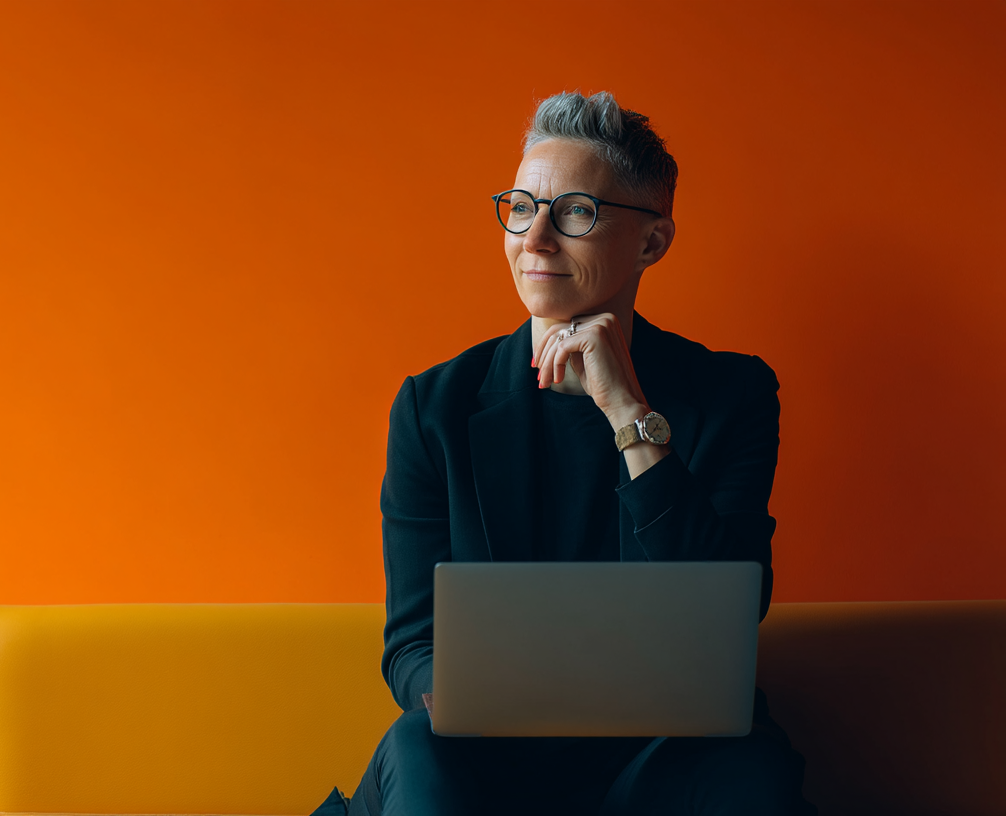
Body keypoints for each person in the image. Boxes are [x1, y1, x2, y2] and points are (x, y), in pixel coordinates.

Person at [327, 92, 815, 815]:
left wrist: (629, 413)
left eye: (576, 212)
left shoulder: (731, 395)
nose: (535, 239)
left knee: (750, 769)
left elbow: (727, 612)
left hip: (662, 758)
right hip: (484, 759)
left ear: (651, 242)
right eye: (521, 208)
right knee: (416, 745)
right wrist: (467, 704)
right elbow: (411, 643)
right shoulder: (435, 407)